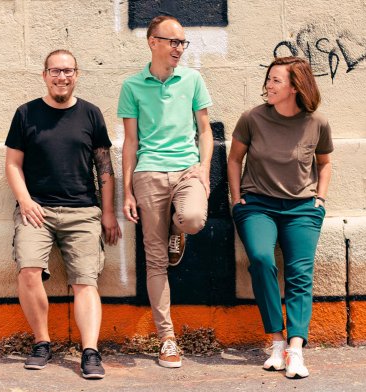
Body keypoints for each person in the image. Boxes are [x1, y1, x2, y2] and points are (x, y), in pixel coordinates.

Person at [5, 49, 122, 380]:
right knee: (28, 270)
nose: (61, 77)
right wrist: (25, 201)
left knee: (85, 281)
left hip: (83, 211)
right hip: (36, 209)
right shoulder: (26, 114)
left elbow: (105, 168)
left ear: (77, 74)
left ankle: (90, 351)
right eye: (55, 71)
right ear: (44, 75)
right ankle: (42, 342)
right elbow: (13, 164)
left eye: (68, 71)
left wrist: (108, 213)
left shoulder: (90, 114)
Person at [228, 56, 333, 379]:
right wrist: (237, 199)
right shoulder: (252, 119)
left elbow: (325, 163)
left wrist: (320, 199)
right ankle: (276, 341)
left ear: (294, 87)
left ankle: (296, 348)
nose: (268, 85)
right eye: (268, 79)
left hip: (302, 208)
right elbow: (234, 159)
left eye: (276, 80)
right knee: (261, 259)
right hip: (257, 204)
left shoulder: (317, 123)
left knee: (300, 272)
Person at [118, 15, 213, 368]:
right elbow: (130, 142)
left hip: (187, 168)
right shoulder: (132, 86)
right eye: (173, 42)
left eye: (182, 43)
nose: (179, 49)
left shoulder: (192, 80)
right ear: (152, 42)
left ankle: (178, 230)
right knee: (155, 259)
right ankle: (167, 339)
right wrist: (126, 191)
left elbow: (204, 130)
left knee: (192, 219)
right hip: (148, 173)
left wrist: (203, 168)